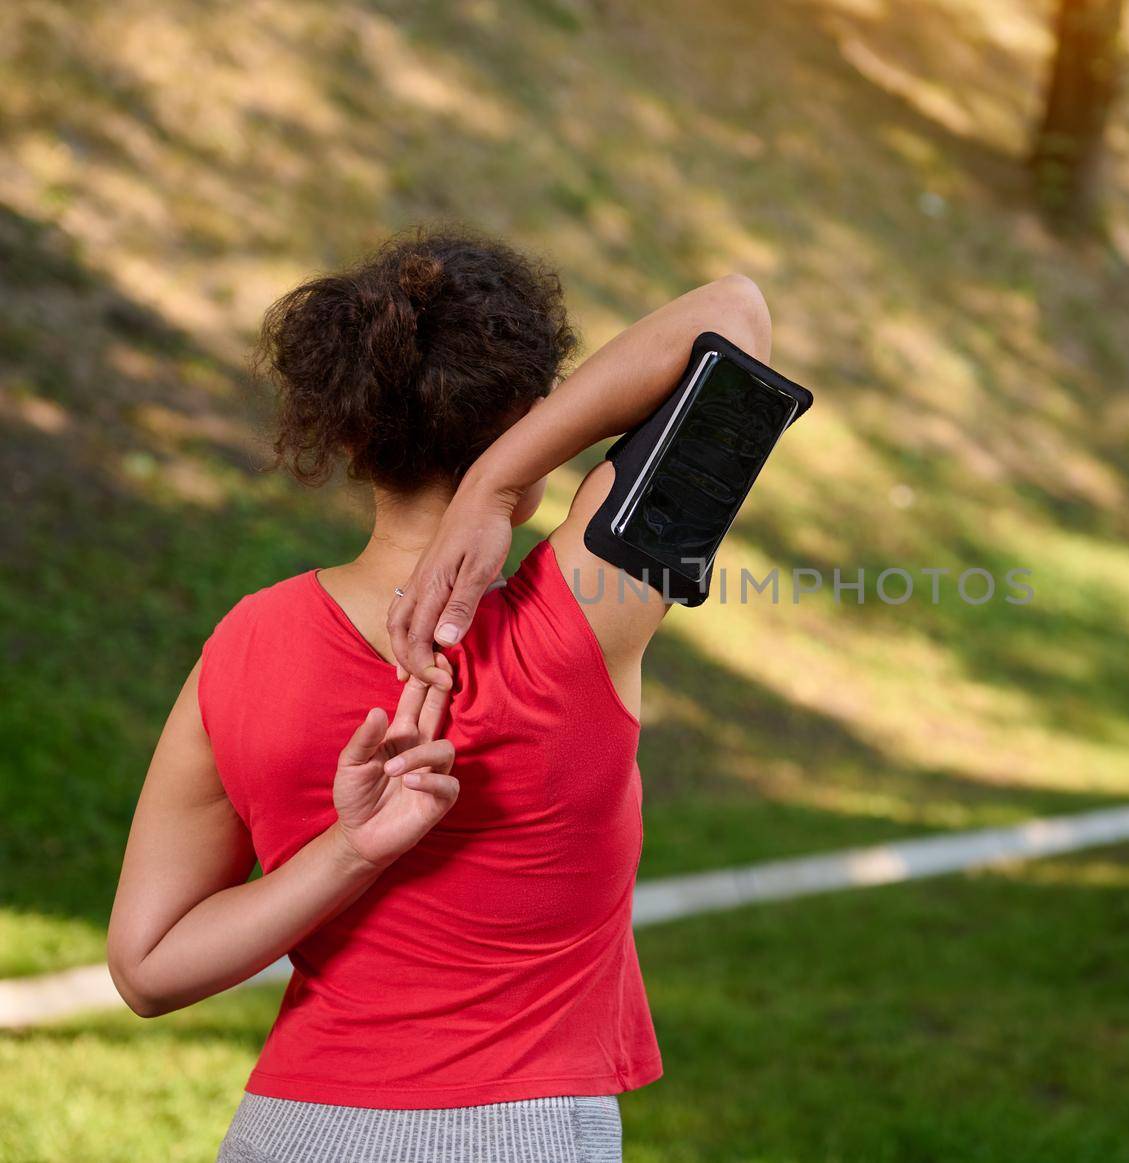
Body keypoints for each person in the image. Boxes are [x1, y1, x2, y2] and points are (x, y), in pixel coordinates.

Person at [106, 229, 772, 1162]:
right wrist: (496, 486)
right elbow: (734, 316)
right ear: (534, 412)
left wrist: (347, 853)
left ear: (344, 430)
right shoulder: (582, 619)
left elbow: (146, 967)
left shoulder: (244, 644)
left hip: (287, 1131)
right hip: (524, 1132)